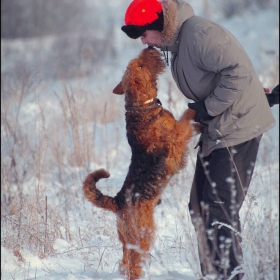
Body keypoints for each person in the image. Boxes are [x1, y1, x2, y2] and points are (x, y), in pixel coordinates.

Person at [120, 0, 276, 279]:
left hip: (238, 126)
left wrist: (208, 108)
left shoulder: (198, 34)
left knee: (218, 209)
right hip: (217, 127)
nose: (142, 40)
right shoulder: (177, 45)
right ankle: (213, 274)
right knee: (199, 208)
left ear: (156, 24)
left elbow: (238, 72)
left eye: (142, 33)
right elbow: (224, 75)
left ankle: (228, 275)